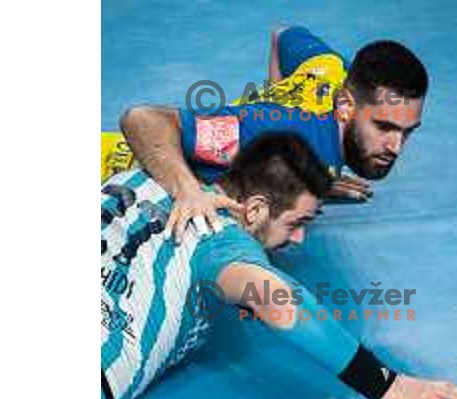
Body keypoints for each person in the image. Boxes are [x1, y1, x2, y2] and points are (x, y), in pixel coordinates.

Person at [101, 132, 457, 399]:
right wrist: (394, 387)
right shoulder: (221, 240)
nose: (299, 237)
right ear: (256, 209)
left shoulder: (137, 174)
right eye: (297, 221)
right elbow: (280, 303)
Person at [120, 27, 429, 243]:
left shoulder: (332, 69)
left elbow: (283, 35)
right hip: (117, 178)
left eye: (407, 132)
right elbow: (143, 120)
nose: (396, 147)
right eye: (384, 127)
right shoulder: (271, 134)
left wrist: (297, 176)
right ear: (346, 107)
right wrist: (187, 190)